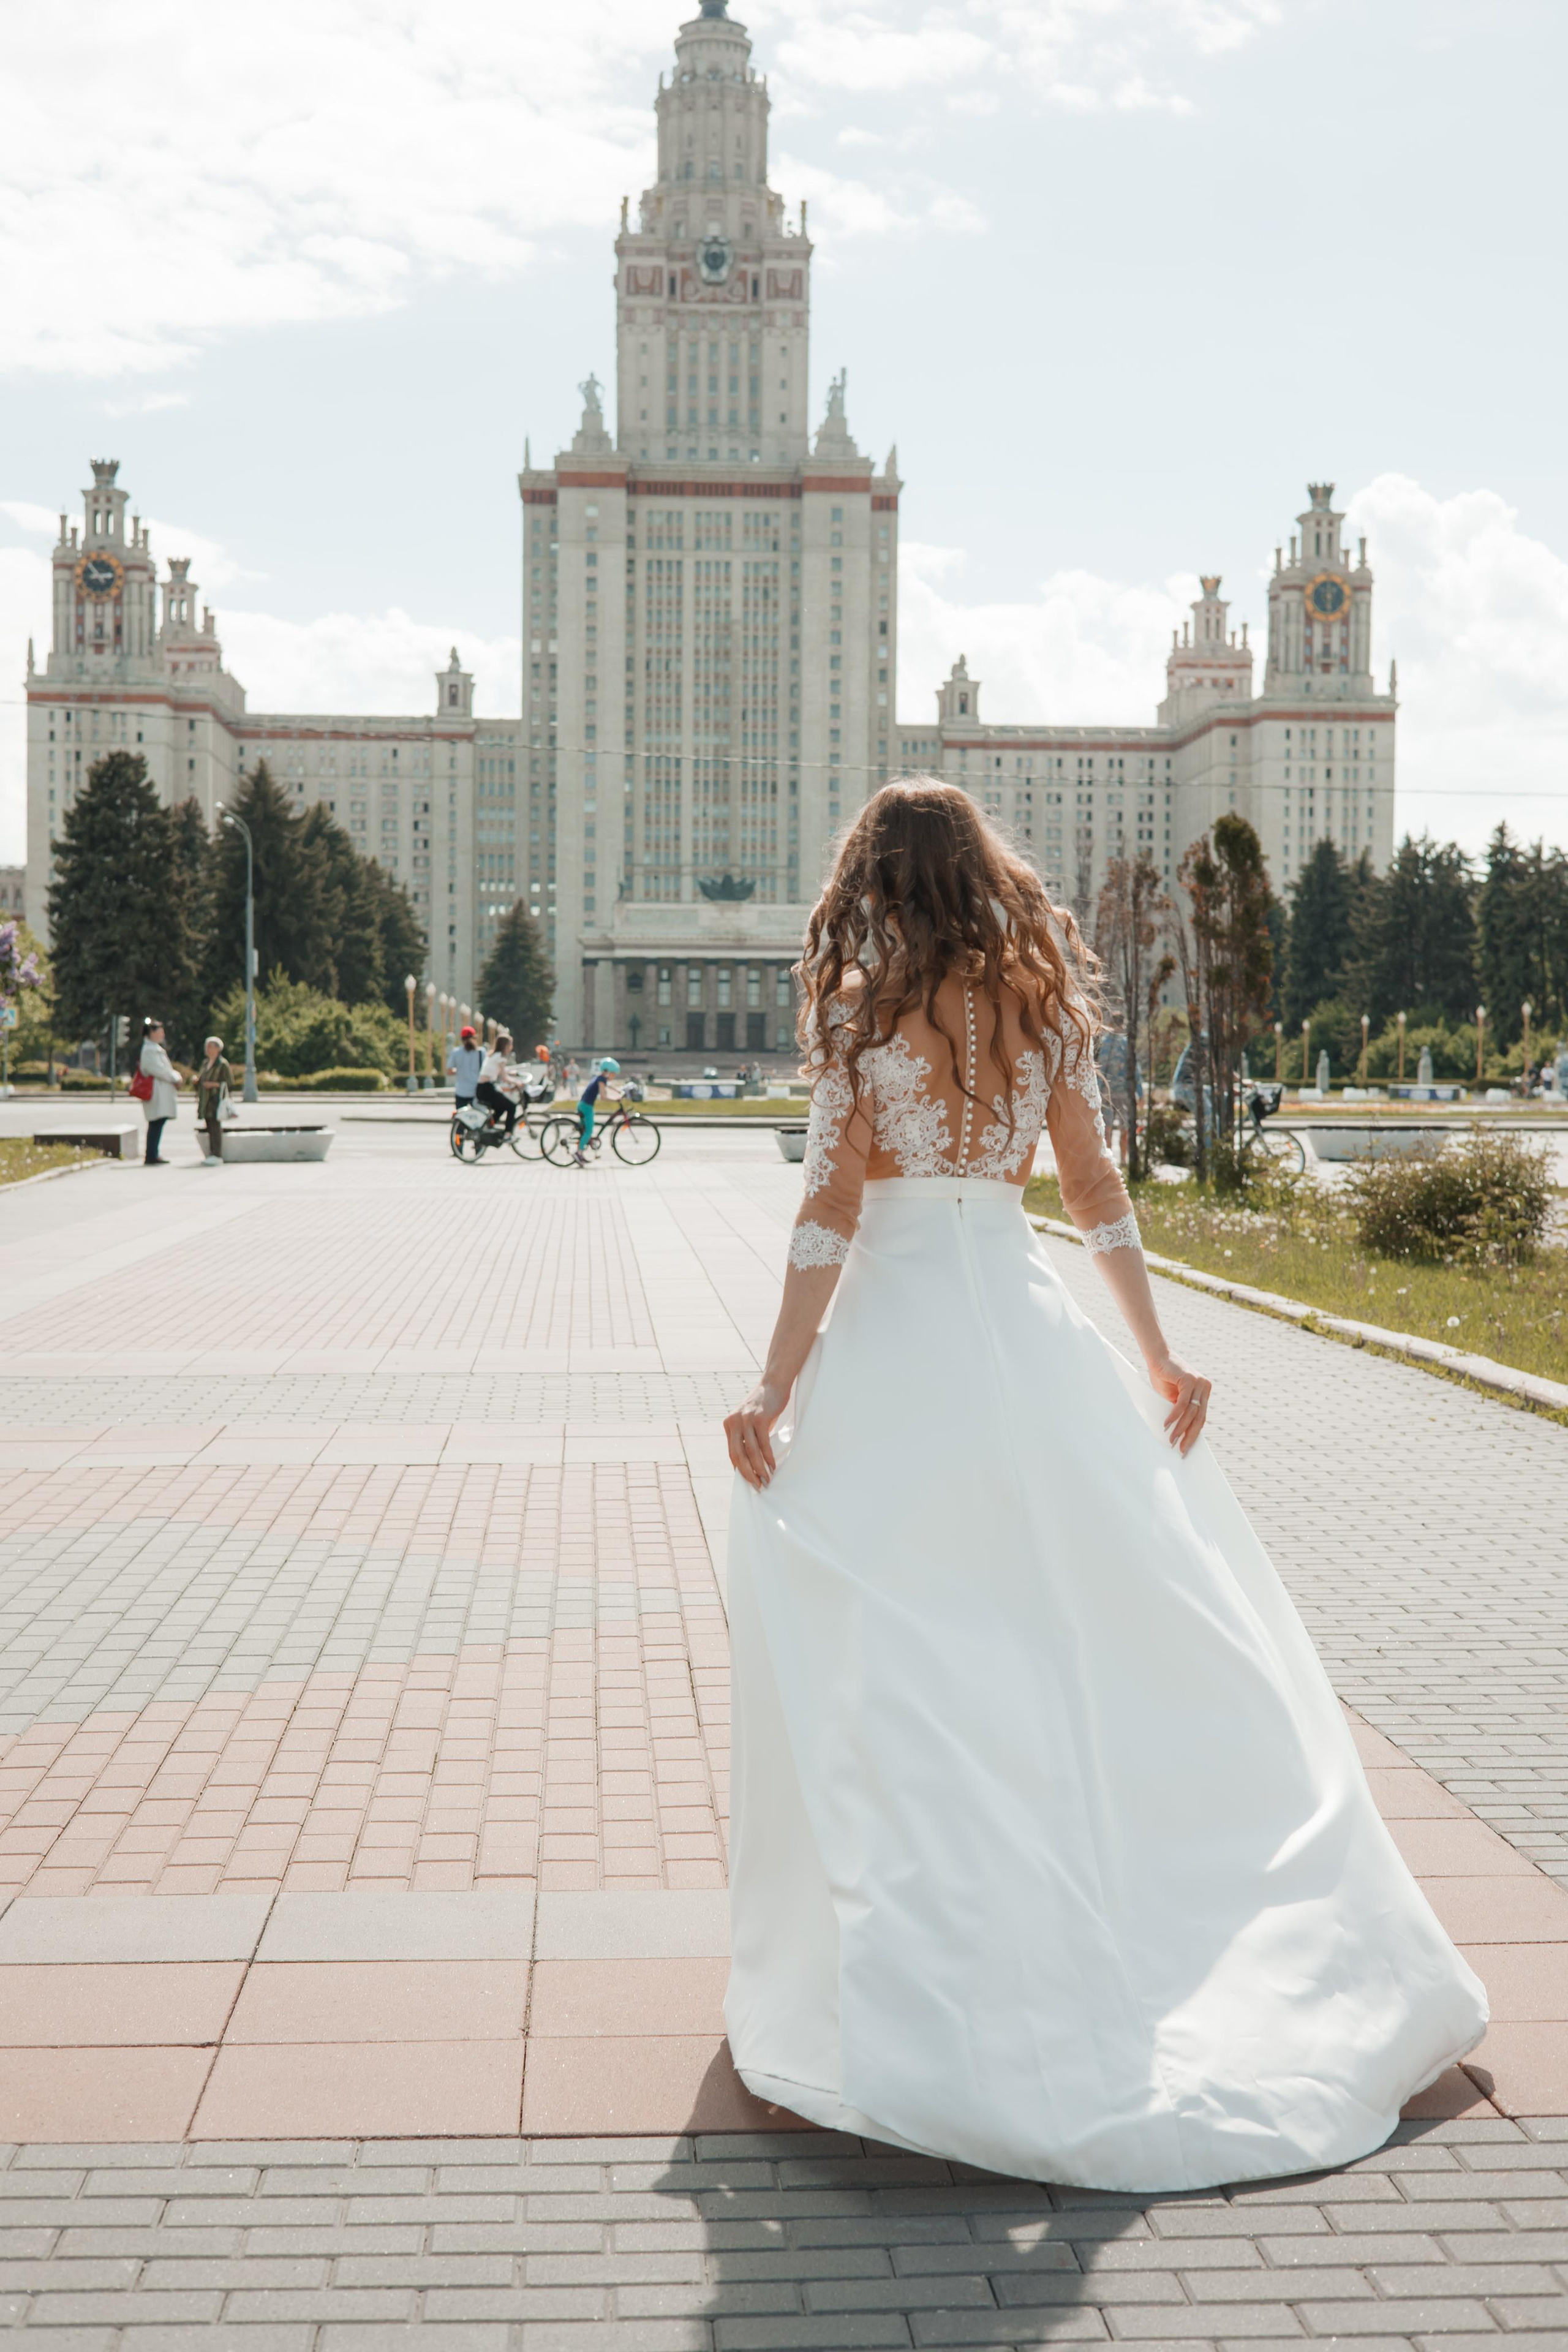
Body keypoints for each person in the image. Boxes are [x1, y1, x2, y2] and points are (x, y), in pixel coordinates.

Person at [720, 778, 1484, 2196]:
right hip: (1022, 1336)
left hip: (896, 1352)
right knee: (1068, 1625)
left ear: (870, 880)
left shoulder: (856, 1013)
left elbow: (828, 1209)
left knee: (882, 1632)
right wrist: (1155, 1355)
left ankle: (916, 1947)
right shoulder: (1031, 1009)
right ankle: (1096, 1908)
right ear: (982, 873)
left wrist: (773, 1386)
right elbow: (1092, 1198)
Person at [137, 1017, 179, 1166]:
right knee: (156, 1122)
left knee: (158, 1122)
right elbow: (160, 1070)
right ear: (152, 1032)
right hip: (156, 1093)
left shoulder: (154, 1048)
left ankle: (153, 1153)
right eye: (160, 1031)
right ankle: (151, 1155)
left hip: (160, 1092)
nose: (163, 1034)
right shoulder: (150, 1050)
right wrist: (176, 1077)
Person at [194, 1036, 234, 1166]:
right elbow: (202, 1080)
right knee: (209, 1126)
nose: (207, 1049)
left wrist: (213, 1084)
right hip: (205, 1100)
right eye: (207, 1046)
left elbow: (229, 1083)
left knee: (215, 1127)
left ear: (218, 1049)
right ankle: (212, 1153)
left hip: (216, 1100)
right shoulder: (206, 1063)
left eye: (210, 1046)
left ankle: (217, 1154)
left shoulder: (222, 1064)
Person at [573, 1057, 619, 1164]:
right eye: (613, 1074)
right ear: (608, 1072)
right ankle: (578, 1153)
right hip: (587, 1107)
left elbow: (609, 1086)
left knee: (585, 1131)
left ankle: (582, 1148)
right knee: (589, 1131)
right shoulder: (601, 1080)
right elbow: (603, 1097)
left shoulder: (599, 1078)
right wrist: (616, 1099)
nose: (614, 1076)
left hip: (583, 1104)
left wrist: (619, 1091)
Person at [476, 1031, 518, 1136]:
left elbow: (500, 1071)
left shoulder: (494, 1055)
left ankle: (488, 1129)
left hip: (482, 1089)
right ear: (505, 1046)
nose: (511, 1047)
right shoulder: (501, 1057)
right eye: (510, 1045)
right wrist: (518, 1083)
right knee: (512, 1107)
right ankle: (508, 1134)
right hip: (487, 1089)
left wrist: (513, 1074)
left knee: (502, 1107)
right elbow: (504, 1077)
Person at [447, 1024, 483, 1109]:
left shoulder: (456, 1052)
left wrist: (459, 1070)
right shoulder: (481, 1052)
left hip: (461, 1091)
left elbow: (449, 1071)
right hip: (476, 1091)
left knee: (461, 1118)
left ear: (462, 1039)